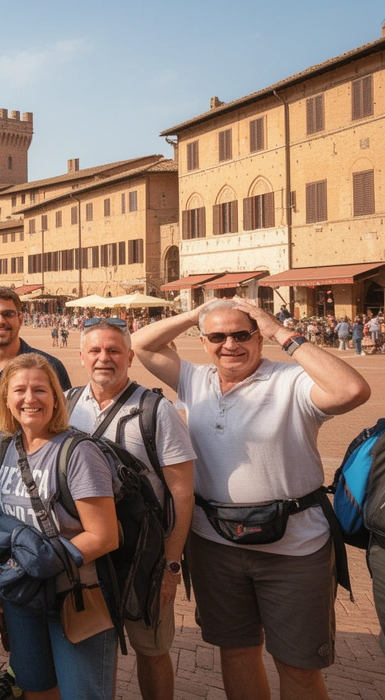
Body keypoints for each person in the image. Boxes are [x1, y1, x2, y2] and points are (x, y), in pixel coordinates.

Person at [131, 298, 370, 700]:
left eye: (242, 334)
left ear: (258, 336)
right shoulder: (194, 378)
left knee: (299, 665)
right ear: (204, 341)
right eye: (218, 336)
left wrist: (281, 332)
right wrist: (197, 313)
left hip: (294, 547)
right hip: (215, 543)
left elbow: (352, 390)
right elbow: (142, 344)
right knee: (236, 652)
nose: (230, 344)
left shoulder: (291, 380)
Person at [70, 317, 196, 700]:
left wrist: (171, 566)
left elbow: (182, 494)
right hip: (88, 551)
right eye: (95, 350)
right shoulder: (66, 402)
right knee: (90, 646)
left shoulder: (156, 410)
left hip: (143, 554)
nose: (103, 358)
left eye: (113, 351)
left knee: (152, 650)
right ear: (82, 356)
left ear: (129, 357)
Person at [0, 353, 120, 700]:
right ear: (6, 398)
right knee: (36, 688)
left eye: (40, 390)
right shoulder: (4, 445)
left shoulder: (77, 451)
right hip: (22, 596)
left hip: (73, 594)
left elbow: (104, 536)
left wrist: (45, 560)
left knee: (82, 693)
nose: (29, 399)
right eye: (19, 390)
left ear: (56, 398)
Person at [0, 287, 71, 390]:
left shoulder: (51, 367)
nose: (0, 321)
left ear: (20, 320)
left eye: (8, 314)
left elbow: (64, 406)